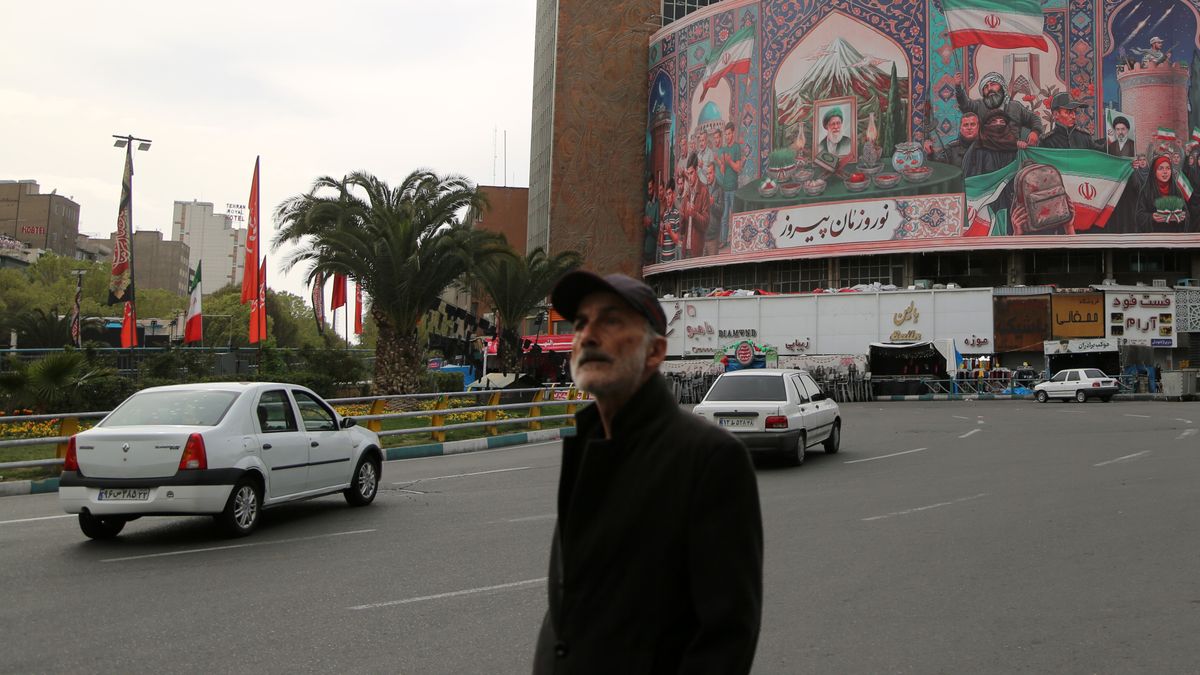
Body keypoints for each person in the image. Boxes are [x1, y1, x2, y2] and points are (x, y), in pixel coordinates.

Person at [534, 271, 763, 674]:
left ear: (655, 352)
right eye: (581, 323)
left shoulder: (709, 458)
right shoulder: (585, 444)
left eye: (611, 321)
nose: (588, 336)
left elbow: (726, 637)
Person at [954, 71, 1042, 148]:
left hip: (1013, 152)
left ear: (1002, 87)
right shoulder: (979, 105)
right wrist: (958, 87)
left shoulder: (1015, 107)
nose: (989, 89)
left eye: (993, 84)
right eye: (986, 87)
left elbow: (1034, 118)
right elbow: (965, 105)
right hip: (988, 153)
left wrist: (1035, 132)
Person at [1135, 154, 1195, 233]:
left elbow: (1186, 213)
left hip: (1173, 235)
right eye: (1161, 168)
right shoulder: (1146, 190)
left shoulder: (1176, 190)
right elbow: (1139, 215)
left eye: (1168, 168)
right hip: (1154, 236)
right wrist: (1151, 217)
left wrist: (1182, 217)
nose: (1165, 172)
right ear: (1154, 171)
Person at [1040, 93, 1105, 150]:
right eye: (1068, 112)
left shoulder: (1084, 137)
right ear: (1056, 114)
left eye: (1074, 111)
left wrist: (1109, 143)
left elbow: (1100, 153)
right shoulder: (1047, 141)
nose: (1074, 116)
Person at [716, 122, 744, 248]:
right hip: (725, 188)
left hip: (733, 188)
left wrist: (729, 161)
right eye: (725, 134)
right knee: (724, 217)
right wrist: (721, 163)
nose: (727, 137)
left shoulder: (736, 147)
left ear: (733, 133)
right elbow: (723, 170)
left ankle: (736, 240)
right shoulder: (724, 149)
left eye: (728, 134)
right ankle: (723, 240)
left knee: (735, 215)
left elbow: (738, 168)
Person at [681, 152, 712, 258]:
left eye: (691, 173)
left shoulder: (704, 191)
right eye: (688, 174)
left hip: (697, 251)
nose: (689, 177)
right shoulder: (687, 194)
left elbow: (706, 223)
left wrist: (694, 214)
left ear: (697, 170)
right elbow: (682, 230)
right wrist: (682, 216)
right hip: (685, 250)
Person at [658, 179, 682, 262]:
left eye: (669, 194)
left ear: (673, 195)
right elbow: (661, 243)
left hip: (671, 261)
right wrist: (661, 232)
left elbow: (677, 240)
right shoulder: (664, 215)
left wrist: (669, 231)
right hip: (663, 260)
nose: (667, 197)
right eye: (666, 195)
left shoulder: (676, 213)